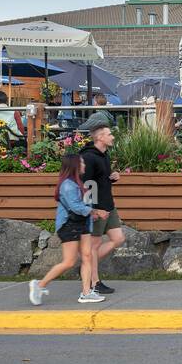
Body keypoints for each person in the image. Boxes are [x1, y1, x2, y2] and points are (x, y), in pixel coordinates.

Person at [29, 153, 103, 304]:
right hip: (69, 225)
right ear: (74, 165)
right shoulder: (68, 185)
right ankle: (39, 285)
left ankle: (86, 293)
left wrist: (91, 213)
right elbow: (75, 207)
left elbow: (81, 206)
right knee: (69, 262)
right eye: (81, 163)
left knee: (87, 256)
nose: (84, 165)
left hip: (82, 224)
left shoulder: (76, 183)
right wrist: (93, 211)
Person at [80, 122, 125, 296]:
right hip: (96, 207)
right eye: (109, 134)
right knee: (95, 244)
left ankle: (87, 265)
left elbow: (100, 179)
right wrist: (91, 210)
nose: (112, 136)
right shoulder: (89, 157)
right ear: (100, 137)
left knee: (118, 238)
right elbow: (85, 184)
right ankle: (94, 282)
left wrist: (112, 177)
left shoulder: (104, 154)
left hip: (109, 205)